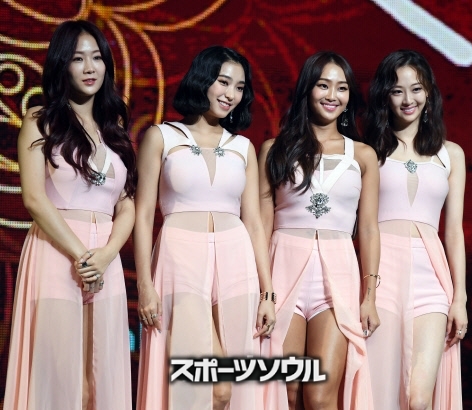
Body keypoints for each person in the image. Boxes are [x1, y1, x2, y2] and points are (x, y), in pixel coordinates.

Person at [4, 20, 136, 410]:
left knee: (100, 380)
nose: (90, 67)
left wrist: (106, 255)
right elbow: (33, 198)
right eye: (78, 59)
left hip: (105, 260)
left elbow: (126, 203)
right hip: (57, 254)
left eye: (97, 57)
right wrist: (82, 256)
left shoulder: (115, 128)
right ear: (62, 65)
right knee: (61, 379)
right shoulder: (40, 121)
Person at [134, 45, 275, 410]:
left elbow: (254, 223)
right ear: (203, 80)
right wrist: (145, 284)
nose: (231, 94)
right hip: (180, 262)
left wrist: (268, 293)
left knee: (236, 385)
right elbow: (143, 213)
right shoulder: (161, 137)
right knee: (215, 388)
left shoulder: (243, 147)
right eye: (223, 82)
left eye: (239, 87)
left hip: (237, 262)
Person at [259, 51, 380, 410]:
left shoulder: (363, 155)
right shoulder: (274, 149)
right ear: (307, 90)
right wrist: (263, 290)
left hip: (337, 277)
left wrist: (369, 296)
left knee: (320, 394)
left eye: (342, 88)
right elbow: (261, 225)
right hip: (282, 274)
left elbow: (368, 229)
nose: (332, 95)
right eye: (323, 85)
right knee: (287, 391)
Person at [364, 49, 467, 410]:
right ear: (385, 95)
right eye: (397, 91)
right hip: (380, 276)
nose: (408, 99)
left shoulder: (451, 154)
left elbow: (453, 231)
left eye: (416, 89)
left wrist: (459, 298)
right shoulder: (367, 152)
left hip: (431, 278)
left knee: (419, 399)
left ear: (429, 93)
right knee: (382, 392)